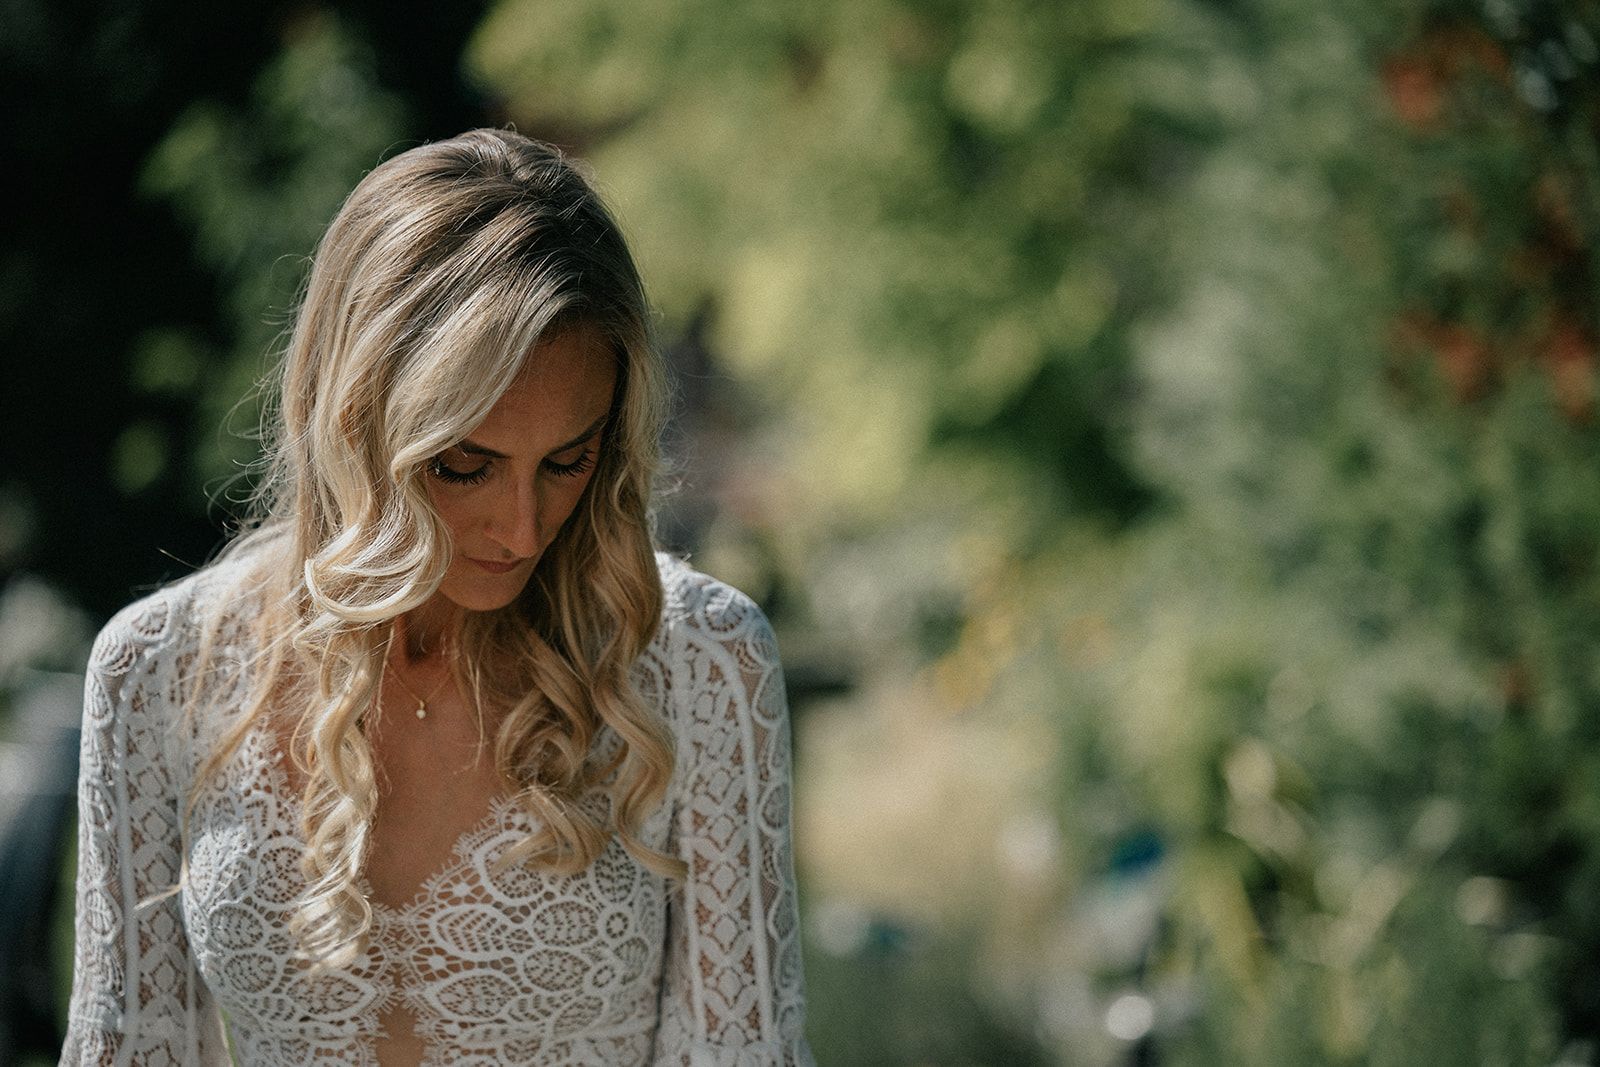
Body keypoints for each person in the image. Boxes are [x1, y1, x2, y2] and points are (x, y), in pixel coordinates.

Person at [59, 128, 813, 1066]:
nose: (524, 529)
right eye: (466, 464)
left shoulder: (701, 659)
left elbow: (744, 1053)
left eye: (566, 461)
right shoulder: (157, 670)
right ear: (356, 422)